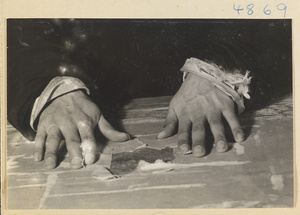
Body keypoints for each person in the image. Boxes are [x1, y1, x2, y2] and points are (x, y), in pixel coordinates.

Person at [7, 19, 292, 169]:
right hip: (90, 90)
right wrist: (53, 89)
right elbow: (22, 26)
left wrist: (216, 70)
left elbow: (274, 17)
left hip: (205, 90)